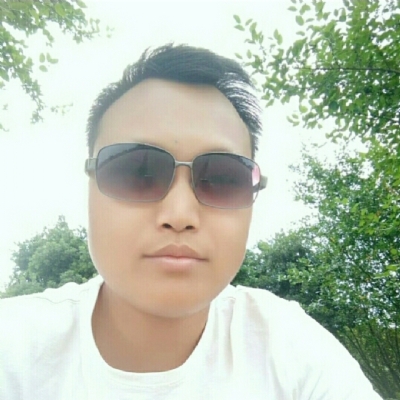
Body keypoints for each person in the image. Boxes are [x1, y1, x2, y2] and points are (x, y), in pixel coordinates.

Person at [0, 44, 382, 399]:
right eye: (136, 172)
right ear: (90, 187)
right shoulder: (14, 350)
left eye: (223, 179)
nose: (180, 215)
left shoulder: (293, 353)